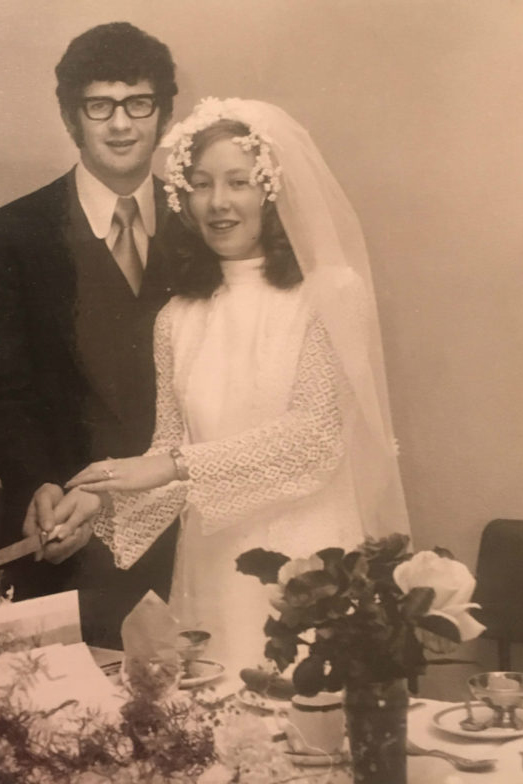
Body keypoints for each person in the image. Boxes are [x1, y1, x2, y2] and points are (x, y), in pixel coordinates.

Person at [63, 98, 411, 669]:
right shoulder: (177, 317)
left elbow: (314, 437)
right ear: (182, 196)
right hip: (210, 564)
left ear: (272, 192)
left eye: (239, 183)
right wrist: (100, 496)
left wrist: (173, 464)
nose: (219, 203)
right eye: (200, 184)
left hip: (305, 565)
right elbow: (170, 455)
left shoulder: (331, 294)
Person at [0, 22, 182, 648]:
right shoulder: (11, 233)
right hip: (66, 538)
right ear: (71, 118)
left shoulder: (203, 222)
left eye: (138, 103)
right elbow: (1, 396)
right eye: (99, 106)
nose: (121, 125)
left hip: (185, 532)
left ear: (164, 115)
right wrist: (39, 483)